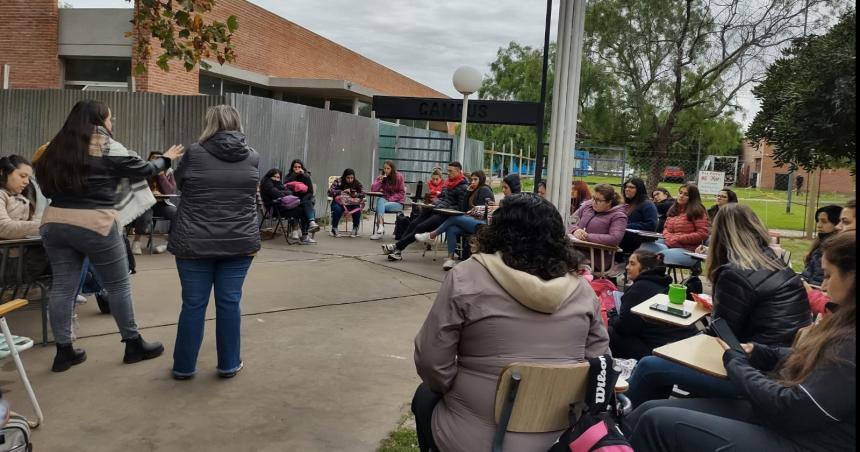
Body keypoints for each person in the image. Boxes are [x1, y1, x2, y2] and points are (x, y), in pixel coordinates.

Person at [411, 194, 609, 452]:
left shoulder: (467, 276)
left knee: (425, 395)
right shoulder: (582, 290)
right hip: (562, 439)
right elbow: (601, 363)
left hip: (475, 436)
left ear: (497, 231)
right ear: (557, 236)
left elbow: (431, 360)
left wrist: (452, 388)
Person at [624, 231, 855, 452]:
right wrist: (763, 352)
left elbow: (795, 407)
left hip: (805, 440)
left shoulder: (849, 340)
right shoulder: (842, 319)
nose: (822, 286)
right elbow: (814, 364)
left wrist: (738, 364)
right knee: (647, 409)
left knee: (655, 420)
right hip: (777, 413)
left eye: (828, 275)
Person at [35, 99, 183, 372]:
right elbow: (144, 169)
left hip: (55, 223)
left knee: (63, 288)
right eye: (110, 118)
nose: (111, 124)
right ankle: (133, 344)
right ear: (100, 120)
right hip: (96, 223)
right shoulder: (105, 145)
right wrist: (167, 159)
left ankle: (64, 352)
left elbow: (44, 187)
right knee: (118, 285)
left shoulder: (54, 147)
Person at [624, 203, 811, 407]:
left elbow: (722, 334)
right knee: (667, 357)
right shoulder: (777, 264)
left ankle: (621, 423)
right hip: (785, 367)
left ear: (719, 235)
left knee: (649, 365)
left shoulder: (735, 273)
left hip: (754, 375)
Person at [168, 105, 260, 380]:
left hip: (194, 242)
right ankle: (229, 364)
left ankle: (184, 367)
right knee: (230, 302)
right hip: (239, 241)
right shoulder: (252, 157)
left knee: (193, 304)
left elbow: (180, 185)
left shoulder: (194, 153)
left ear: (209, 123)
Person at [608, 250, 696, 359]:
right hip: (681, 345)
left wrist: (612, 316)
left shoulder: (639, 288)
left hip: (659, 351)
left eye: (632, 264)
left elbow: (624, 327)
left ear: (645, 269)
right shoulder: (665, 284)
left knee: (609, 332)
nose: (627, 267)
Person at [381, 162, 468, 261]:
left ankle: (396, 247)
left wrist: (445, 206)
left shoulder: (463, 187)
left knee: (420, 227)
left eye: (450, 171)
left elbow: (461, 208)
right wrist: (432, 202)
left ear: (458, 172)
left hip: (445, 214)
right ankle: (398, 251)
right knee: (413, 223)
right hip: (435, 209)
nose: (448, 173)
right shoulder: (448, 183)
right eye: (447, 171)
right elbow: (441, 197)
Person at [414, 170, 494, 270]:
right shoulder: (473, 190)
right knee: (451, 228)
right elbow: (463, 208)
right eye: (472, 179)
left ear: (481, 179)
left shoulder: (484, 190)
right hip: (470, 221)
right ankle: (450, 259)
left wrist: (469, 213)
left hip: (482, 224)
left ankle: (431, 235)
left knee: (454, 218)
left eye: (475, 179)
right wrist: (468, 193)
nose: (472, 182)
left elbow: (483, 211)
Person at [639, 183, 709, 269]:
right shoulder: (674, 210)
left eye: (686, 194)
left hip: (688, 250)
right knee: (644, 248)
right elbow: (665, 229)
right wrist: (670, 238)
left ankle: (656, 280)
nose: (681, 196)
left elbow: (703, 234)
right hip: (669, 243)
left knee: (660, 256)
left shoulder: (698, 212)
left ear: (693, 197)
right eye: (680, 193)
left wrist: (679, 238)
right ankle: (640, 279)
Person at [569, 184, 628, 272]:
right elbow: (569, 221)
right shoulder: (587, 206)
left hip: (596, 258)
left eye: (598, 200)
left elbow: (614, 238)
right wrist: (575, 230)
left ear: (609, 202)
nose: (593, 202)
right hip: (574, 251)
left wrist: (586, 237)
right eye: (593, 198)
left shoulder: (619, 216)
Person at [129, 151, 178, 255]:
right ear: (149, 160)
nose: (156, 160)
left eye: (159, 158)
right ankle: (136, 242)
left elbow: (170, 191)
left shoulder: (168, 171)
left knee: (176, 213)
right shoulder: (143, 171)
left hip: (161, 204)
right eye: (153, 158)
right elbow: (136, 189)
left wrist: (161, 175)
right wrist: (150, 194)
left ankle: (167, 244)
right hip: (146, 203)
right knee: (145, 214)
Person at [259, 168, 314, 244]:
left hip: (282, 206)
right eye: (274, 177)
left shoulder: (276, 183)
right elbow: (278, 194)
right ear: (269, 176)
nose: (276, 179)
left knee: (306, 204)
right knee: (304, 212)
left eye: (278, 177)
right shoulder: (267, 184)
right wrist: (284, 192)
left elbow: (289, 192)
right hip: (275, 209)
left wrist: (283, 192)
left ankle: (309, 228)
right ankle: (305, 235)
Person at [801, 205, 842, 286]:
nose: (818, 225)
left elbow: (818, 280)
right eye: (818, 221)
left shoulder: (833, 249)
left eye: (824, 221)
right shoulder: (820, 243)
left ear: (837, 224)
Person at [369, 160, 406, 240]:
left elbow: (401, 193)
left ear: (392, 169)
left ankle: (379, 231)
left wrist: (390, 199)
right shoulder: (382, 177)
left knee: (380, 205)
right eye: (384, 168)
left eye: (388, 168)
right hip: (385, 201)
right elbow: (373, 189)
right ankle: (381, 227)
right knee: (380, 201)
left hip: (397, 203)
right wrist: (380, 181)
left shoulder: (399, 177)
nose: (386, 170)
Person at [284, 159, 320, 236]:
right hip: (293, 199)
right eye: (295, 167)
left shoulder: (306, 176)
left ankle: (310, 224)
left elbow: (310, 191)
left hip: (305, 198)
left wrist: (304, 175)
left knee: (307, 204)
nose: (297, 168)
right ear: (292, 168)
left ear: (302, 168)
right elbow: (285, 185)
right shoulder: (289, 176)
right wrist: (294, 174)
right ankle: (297, 231)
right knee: (298, 208)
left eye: (299, 167)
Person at [328, 168, 364, 238]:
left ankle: (355, 228)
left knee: (357, 209)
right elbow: (329, 192)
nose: (350, 180)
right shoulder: (338, 181)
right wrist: (341, 191)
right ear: (344, 177)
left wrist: (356, 194)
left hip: (352, 203)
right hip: (339, 203)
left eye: (352, 178)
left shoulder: (357, 183)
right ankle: (334, 228)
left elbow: (363, 194)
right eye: (348, 178)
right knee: (337, 209)